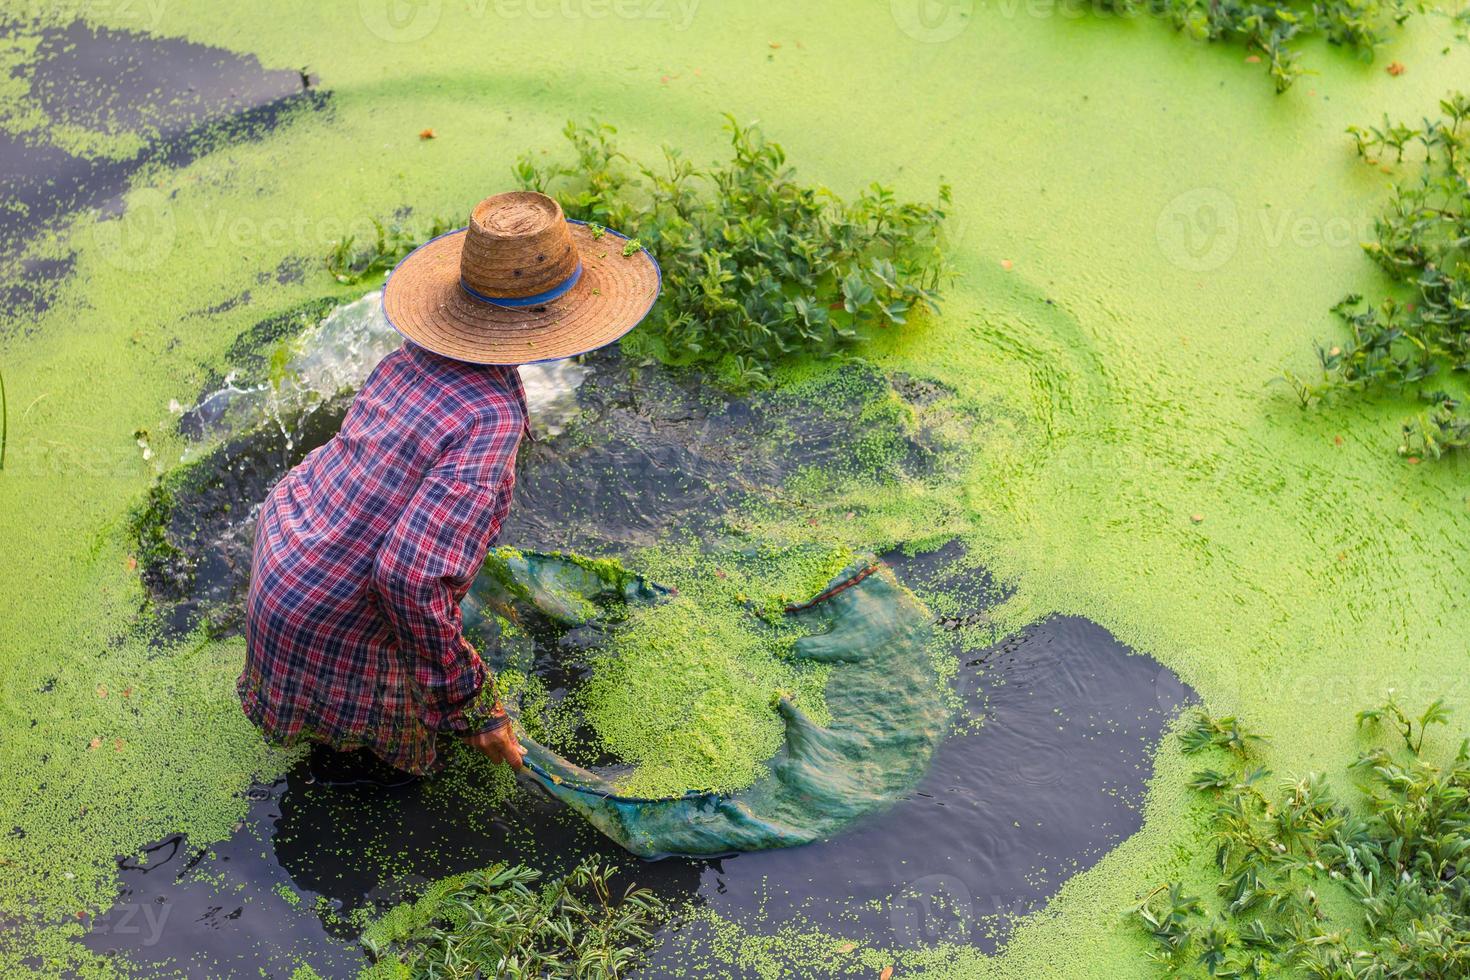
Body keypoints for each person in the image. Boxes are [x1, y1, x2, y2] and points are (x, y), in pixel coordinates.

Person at [238, 190, 660, 784]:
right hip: (331, 612)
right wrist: (472, 708)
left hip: (286, 558)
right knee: (388, 775)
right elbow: (408, 578)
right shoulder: (491, 417)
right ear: (553, 317)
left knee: (334, 746)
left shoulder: (405, 361)